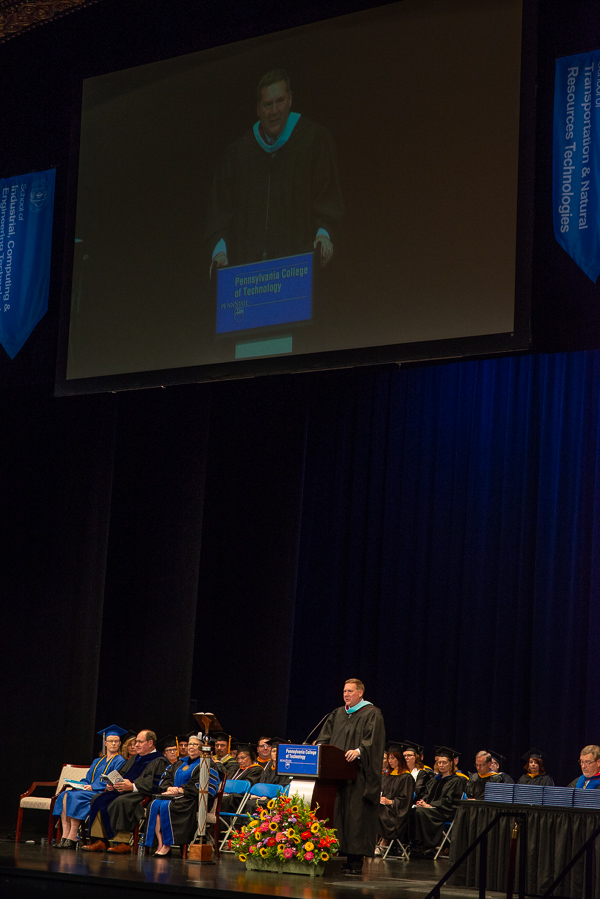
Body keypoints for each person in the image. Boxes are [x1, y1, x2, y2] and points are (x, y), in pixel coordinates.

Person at [206, 68, 344, 274]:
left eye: (280, 101)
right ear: (258, 109)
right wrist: (219, 252)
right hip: (249, 276)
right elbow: (221, 213)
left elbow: (327, 198)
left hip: (298, 271)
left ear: (290, 100)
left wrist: (324, 234)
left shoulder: (312, 141)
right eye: (267, 104)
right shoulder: (238, 155)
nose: (274, 110)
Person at [316, 677, 386, 875]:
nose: (346, 695)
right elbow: (324, 738)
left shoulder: (372, 713)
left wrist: (359, 751)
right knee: (338, 815)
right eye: (344, 691)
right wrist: (319, 747)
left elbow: (373, 741)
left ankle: (355, 861)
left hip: (358, 775)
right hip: (337, 774)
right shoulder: (337, 713)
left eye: (350, 691)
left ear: (360, 693)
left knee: (356, 817)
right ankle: (340, 857)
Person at [82, 729, 167, 853]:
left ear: (150, 743)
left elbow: (153, 784)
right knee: (98, 798)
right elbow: (120, 773)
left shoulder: (159, 760)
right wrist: (112, 784)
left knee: (121, 802)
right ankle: (100, 840)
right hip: (122, 790)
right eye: (136, 742)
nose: (136, 745)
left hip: (140, 794)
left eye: (140, 742)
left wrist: (132, 786)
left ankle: (123, 842)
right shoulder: (135, 758)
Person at [53, 725, 127, 849]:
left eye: (116, 741)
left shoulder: (120, 760)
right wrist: (81, 785)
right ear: (105, 743)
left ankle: (73, 836)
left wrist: (93, 787)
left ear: (120, 743)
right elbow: (88, 778)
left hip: (102, 792)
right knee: (64, 795)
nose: (113, 743)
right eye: (110, 741)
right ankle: (65, 835)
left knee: (76, 797)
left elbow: (112, 779)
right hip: (90, 790)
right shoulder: (97, 761)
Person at [145, 734, 203, 855]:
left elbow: (202, 785)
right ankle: (160, 843)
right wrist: (169, 787)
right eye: (190, 744)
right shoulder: (179, 763)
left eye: (195, 744)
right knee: (154, 804)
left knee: (169, 806)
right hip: (172, 796)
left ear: (202, 747)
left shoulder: (206, 764)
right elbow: (165, 777)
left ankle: (167, 844)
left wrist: (181, 790)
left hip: (190, 800)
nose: (191, 747)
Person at [408, 746, 465, 856]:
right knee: (413, 810)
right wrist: (422, 802)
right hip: (431, 809)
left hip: (445, 811)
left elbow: (448, 801)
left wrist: (430, 805)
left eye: (444, 762)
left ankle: (427, 846)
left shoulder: (456, 781)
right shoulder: (434, 780)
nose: (441, 765)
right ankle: (414, 845)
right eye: (439, 762)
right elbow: (427, 794)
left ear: (451, 764)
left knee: (420, 812)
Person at [376, 742, 414, 855]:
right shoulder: (386, 776)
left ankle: (383, 842)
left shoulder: (406, 777)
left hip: (397, 812)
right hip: (384, 807)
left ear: (399, 759)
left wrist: (391, 801)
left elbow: (406, 800)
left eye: (393, 758)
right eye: (389, 758)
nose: (390, 761)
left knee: (379, 810)